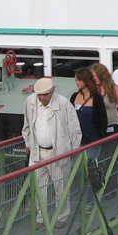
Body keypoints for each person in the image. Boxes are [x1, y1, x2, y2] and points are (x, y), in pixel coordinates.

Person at [21, 78, 81, 225]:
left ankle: (62, 216)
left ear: (52, 92)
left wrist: (73, 150)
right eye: (39, 95)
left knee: (61, 186)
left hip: (57, 153)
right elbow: (27, 125)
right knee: (39, 188)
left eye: (45, 94)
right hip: (37, 153)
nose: (41, 98)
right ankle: (41, 217)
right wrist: (28, 143)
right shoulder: (30, 101)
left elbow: (74, 128)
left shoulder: (63, 103)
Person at [70, 69, 107, 158]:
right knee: (76, 165)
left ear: (86, 80)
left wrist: (100, 139)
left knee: (90, 163)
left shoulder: (96, 97)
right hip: (76, 140)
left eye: (79, 80)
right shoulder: (74, 96)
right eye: (76, 80)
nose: (77, 83)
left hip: (92, 139)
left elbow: (103, 119)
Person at [90, 63, 118, 134]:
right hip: (98, 126)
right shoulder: (92, 90)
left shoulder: (114, 89)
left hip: (113, 125)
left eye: (97, 76)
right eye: (93, 76)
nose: (95, 78)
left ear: (103, 76)